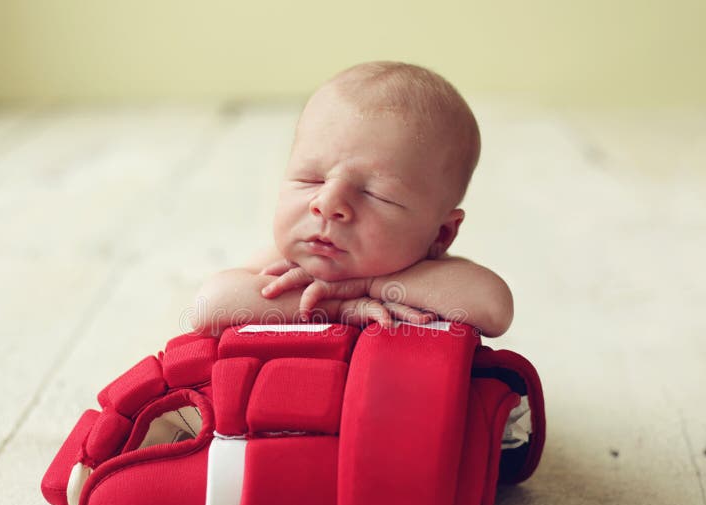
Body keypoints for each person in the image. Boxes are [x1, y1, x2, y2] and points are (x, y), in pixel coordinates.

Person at [190, 61, 513, 338]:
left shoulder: (434, 274)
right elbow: (208, 306)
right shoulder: (284, 269)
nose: (328, 203)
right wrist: (337, 306)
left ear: (441, 234)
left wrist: (371, 284)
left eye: (376, 194)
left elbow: (494, 308)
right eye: (311, 179)